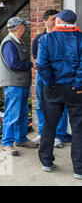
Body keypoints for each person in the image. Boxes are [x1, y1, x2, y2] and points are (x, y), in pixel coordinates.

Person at [36, 9, 82, 179]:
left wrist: (50, 82)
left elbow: (41, 64)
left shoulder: (46, 39)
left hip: (53, 88)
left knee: (49, 126)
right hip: (75, 90)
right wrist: (77, 84)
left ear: (59, 21)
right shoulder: (80, 39)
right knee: (78, 128)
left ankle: (46, 162)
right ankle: (79, 169)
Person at [0, 17, 38, 156]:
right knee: (12, 114)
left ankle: (21, 139)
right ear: (18, 27)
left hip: (20, 83)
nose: (25, 28)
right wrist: (30, 64)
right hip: (13, 84)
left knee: (21, 113)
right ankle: (7, 143)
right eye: (24, 26)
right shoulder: (9, 43)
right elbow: (13, 64)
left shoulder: (17, 41)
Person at [31, 10, 69, 148]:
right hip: (42, 77)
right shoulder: (38, 39)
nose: (54, 22)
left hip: (60, 76)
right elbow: (36, 62)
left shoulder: (63, 38)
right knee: (41, 104)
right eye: (52, 19)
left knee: (61, 105)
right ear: (45, 20)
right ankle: (42, 133)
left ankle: (59, 136)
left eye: (56, 19)